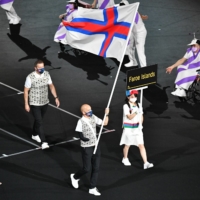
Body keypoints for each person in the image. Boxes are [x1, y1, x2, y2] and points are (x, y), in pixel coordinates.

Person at [70, 104, 109, 196]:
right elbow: (79, 132)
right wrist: (82, 138)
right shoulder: (80, 121)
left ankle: (92, 187)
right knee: (87, 168)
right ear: (83, 112)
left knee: (96, 167)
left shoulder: (93, 117)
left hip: (95, 145)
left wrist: (106, 114)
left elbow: (104, 123)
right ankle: (75, 177)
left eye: (91, 109)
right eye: (88, 110)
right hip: (86, 147)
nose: (90, 111)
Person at [24, 60, 60, 149]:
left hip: (44, 101)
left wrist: (56, 97)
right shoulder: (30, 77)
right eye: (40, 68)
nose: (42, 69)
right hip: (34, 102)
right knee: (39, 121)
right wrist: (26, 104)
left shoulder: (47, 74)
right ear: (35, 68)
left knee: (38, 120)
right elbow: (26, 90)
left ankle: (35, 134)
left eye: (43, 67)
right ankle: (44, 142)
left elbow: (51, 86)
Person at [120, 89, 153, 169]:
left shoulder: (139, 105)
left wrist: (141, 123)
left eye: (135, 96)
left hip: (137, 128)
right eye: (132, 96)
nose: (134, 97)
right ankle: (125, 158)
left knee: (141, 145)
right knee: (127, 145)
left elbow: (141, 116)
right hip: (129, 128)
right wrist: (136, 112)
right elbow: (129, 117)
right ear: (128, 97)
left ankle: (145, 163)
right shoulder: (126, 106)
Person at [119, 0, 148, 68]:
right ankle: (133, 62)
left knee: (140, 50)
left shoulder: (131, 13)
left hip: (140, 33)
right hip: (132, 32)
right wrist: (142, 16)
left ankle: (144, 68)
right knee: (129, 46)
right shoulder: (130, 10)